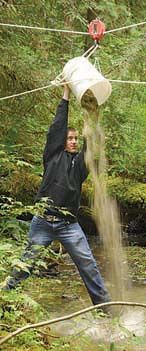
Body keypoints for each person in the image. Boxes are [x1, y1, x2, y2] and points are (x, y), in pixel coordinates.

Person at [2, 85, 111, 309]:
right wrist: (66, 95)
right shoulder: (52, 156)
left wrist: (91, 117)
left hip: (69, 226)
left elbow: (91, 144)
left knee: (88, 266)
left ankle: (105, 310)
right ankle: (4, 298)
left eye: (74, 139)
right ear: (62, 141)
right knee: (26, 264)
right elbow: (56, 128)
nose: (72, 141)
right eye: (68, 138)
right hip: (42, 222)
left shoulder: (81, 165)